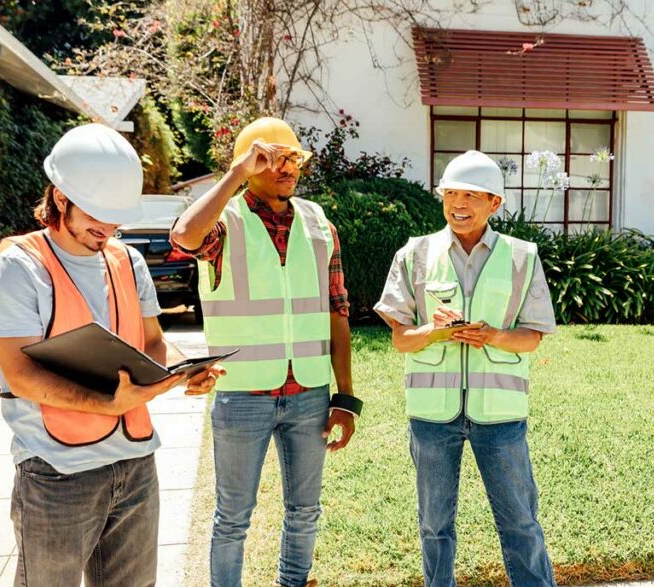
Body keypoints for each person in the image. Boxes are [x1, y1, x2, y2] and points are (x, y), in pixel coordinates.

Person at [0, 123, 223, 587]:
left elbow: (152, 341)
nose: (108, 228)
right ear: (59, 196)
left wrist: (181, 371)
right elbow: (19, 376)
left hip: (134, 467)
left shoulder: (127, 260)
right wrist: (107, 403)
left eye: (116, 218)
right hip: (57, 475)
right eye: (97, 213)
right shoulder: (16, 270)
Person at [171, 116, 362, 587]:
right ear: (249, 162)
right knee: (233, 517)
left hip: (309, 395)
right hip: (243, 396)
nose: (286, 168)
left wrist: (346, 396)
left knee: (305, 510)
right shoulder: (226, 222)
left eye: (292, 159)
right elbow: (184, 236)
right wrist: (235, 175)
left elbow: (338, 311)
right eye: (271, 159)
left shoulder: (320, 225)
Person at [374, 150, 558, 587]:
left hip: (501, 416)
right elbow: (401, 338)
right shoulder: (414, 254)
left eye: (471, 195)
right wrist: (438, 333)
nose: (458, 203)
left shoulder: (522, 257)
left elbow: (532, 336)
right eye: (450, 193)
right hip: (432, 417)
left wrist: (491, 335)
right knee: (434, 525)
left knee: (520, 522)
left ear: (495, 203)